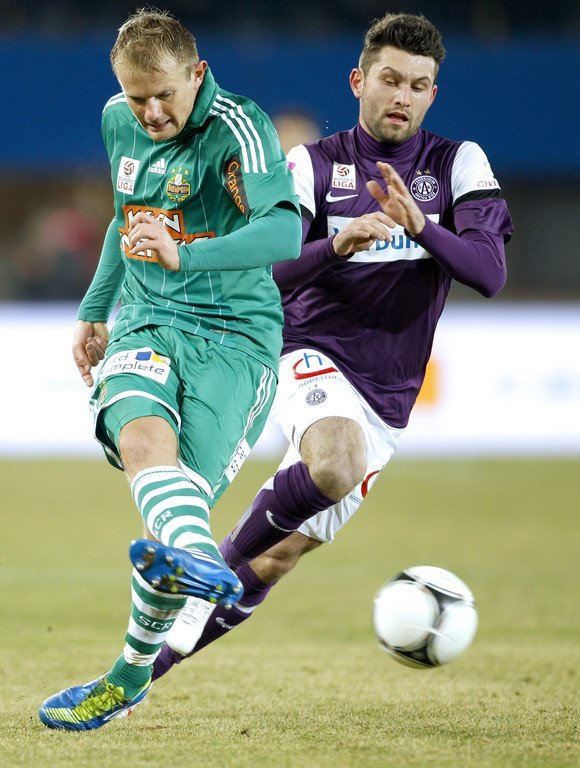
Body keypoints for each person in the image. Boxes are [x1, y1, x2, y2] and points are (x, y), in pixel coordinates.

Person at [149, 11, 513, 683]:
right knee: (337, 460)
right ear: (358, 82)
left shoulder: (458, 164)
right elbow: (261, 275)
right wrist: (336, 245)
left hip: (389, 396)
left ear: (433, 94)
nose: (402, 96)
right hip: (306, 350)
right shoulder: (311, 165)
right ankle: (202, 566)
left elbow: (489, 273)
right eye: (390, 80)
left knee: (277, 556)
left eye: (419, 86)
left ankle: (140, 675)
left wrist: (421, 227)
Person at [38, 8, 301, 730]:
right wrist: (96, 307)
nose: (151, 113)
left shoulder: (240, 127)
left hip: (237, 341)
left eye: (164, 95)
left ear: (197, 75)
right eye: (136, 98)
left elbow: (284, 229)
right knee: (141, 437)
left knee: (173, 510)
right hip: (149, 320)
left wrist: (188, 254)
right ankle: (197, 556)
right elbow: (127, 217)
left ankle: (128, 675)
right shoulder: (116, 122)